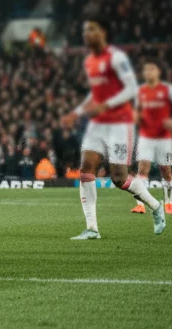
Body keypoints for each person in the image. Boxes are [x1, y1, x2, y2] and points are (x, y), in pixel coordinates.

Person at [60, 18, 165, 239]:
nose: (87, 34)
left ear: (103, 32)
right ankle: (92, 229)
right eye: (85, 30)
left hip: (119, 123)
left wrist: (107, 104)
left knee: (119, 178)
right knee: (86, 170)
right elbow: (94, 95)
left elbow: (131, 89)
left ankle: (156, 206)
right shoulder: (89, 62)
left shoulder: (116, 58)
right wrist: (76, 113)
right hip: (98, 124)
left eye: (92, 30)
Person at [130, 61, 172, 216]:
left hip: (164, 138)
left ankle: (168, 202)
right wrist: (136, 117)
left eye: (151, 69)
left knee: (166, 171)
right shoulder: (140, 91)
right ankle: (140, 204)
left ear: (158, 72)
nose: (148, 73)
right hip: (145, 137)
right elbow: (137, 111)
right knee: (142, 170)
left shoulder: (168, 90)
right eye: (146, 70)